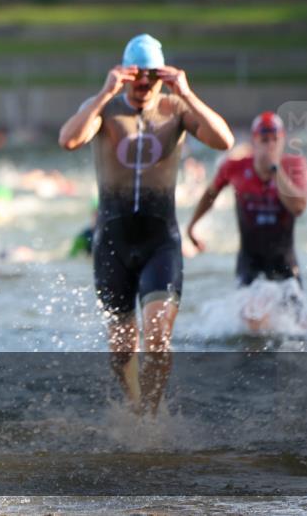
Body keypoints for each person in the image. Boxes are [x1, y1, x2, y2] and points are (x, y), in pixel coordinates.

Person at [58, 33, 234, 414]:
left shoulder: (176, 110)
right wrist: (105, 94)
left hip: (160, 242)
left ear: (161, 77)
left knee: (157, 336)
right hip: (113, 243)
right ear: (124, 75)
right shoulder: (103, 109)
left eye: (150, 79)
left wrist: (186, 93)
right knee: (121, 348)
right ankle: (131, 406)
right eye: (135, 79)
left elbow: (224, 140)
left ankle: (151, 415)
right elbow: (68, 140)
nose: (142, 87)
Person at [187, 111, 307, 331]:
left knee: (302, 330)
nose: (270, 146)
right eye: (264, 140)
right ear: (254, 142)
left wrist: (275, 170)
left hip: (285, 263)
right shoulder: (234, 167)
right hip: (250, 262)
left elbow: (298, 207)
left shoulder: (294, 166)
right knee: (252, 324)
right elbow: (210, 194)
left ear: (283, 141)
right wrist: (191, 227)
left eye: (275, 140)